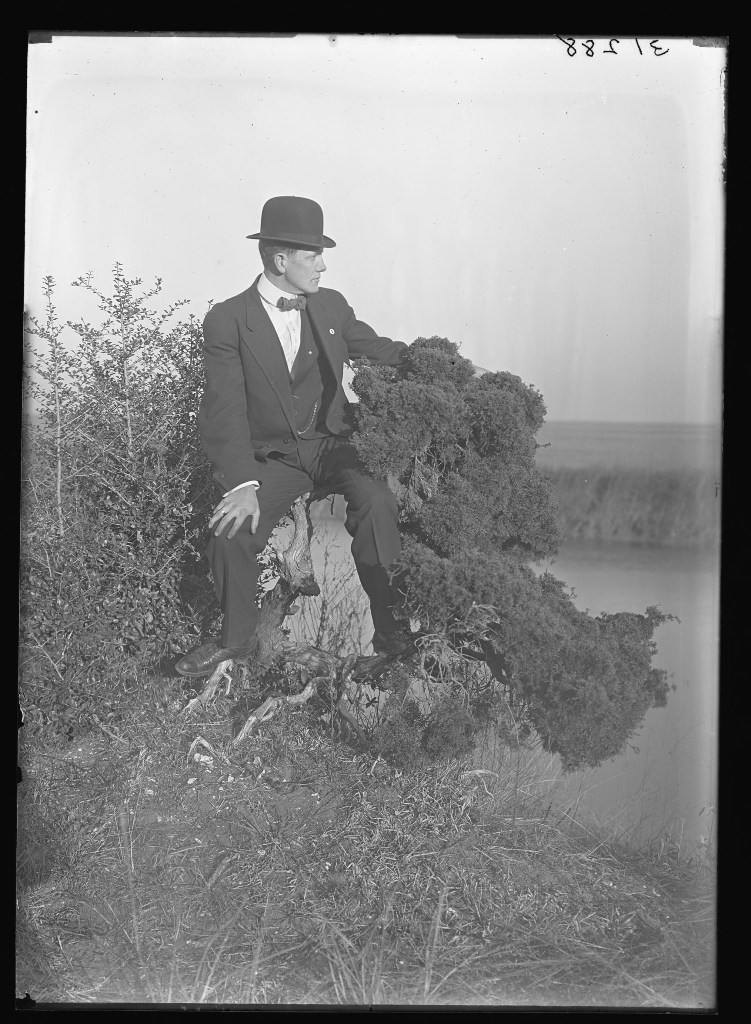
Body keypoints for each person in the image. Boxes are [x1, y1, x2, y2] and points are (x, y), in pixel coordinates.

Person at [176, 196, 413, 677]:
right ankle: (236, 639)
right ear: (281, 260)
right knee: (229, 532)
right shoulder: (228, 320)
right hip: (274, 459)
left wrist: (445, 362)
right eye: (314, 255)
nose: (323, 265)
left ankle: (391, 633)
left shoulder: (331, 304)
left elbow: (379, 350)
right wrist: (242, 484)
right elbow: (224, 410)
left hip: (332, 446)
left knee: (378, 503)